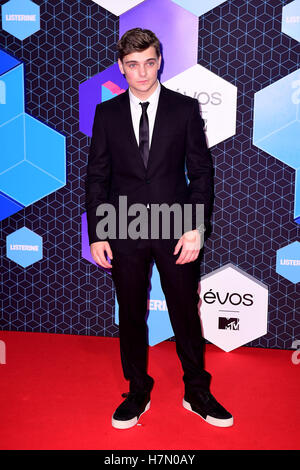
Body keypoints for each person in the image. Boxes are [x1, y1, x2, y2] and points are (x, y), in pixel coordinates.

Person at [85, 28, 233, 429]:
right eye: (133, 65)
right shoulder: (107, 114)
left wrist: (194, 226)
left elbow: (201, 173)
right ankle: (137, 390)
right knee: (131, 312)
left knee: (185, 312)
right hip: (124, 227)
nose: (142, 72)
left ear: (160, 61)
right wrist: (98, 231)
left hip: (175, 228)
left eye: (149, 62)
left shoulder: (184, 109)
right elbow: (97, 176)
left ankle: (197, 391)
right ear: (121, 67)